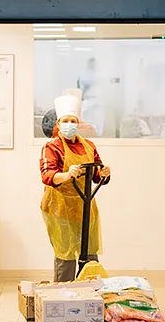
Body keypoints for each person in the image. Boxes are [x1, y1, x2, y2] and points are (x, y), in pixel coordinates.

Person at [38, 94, 111, 282]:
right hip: (60, 208)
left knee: (90, 253)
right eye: (65, 121)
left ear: (78, 123)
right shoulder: (52, 147)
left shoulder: (88, 146)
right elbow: (47, 176)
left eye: (73, 121)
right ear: (58, 123)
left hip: (86, 206)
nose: (69, 124)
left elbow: (96, 174)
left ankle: (89, 296)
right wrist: (66, 174)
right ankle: (62, 297)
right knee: (66, 255)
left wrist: (104, 174)